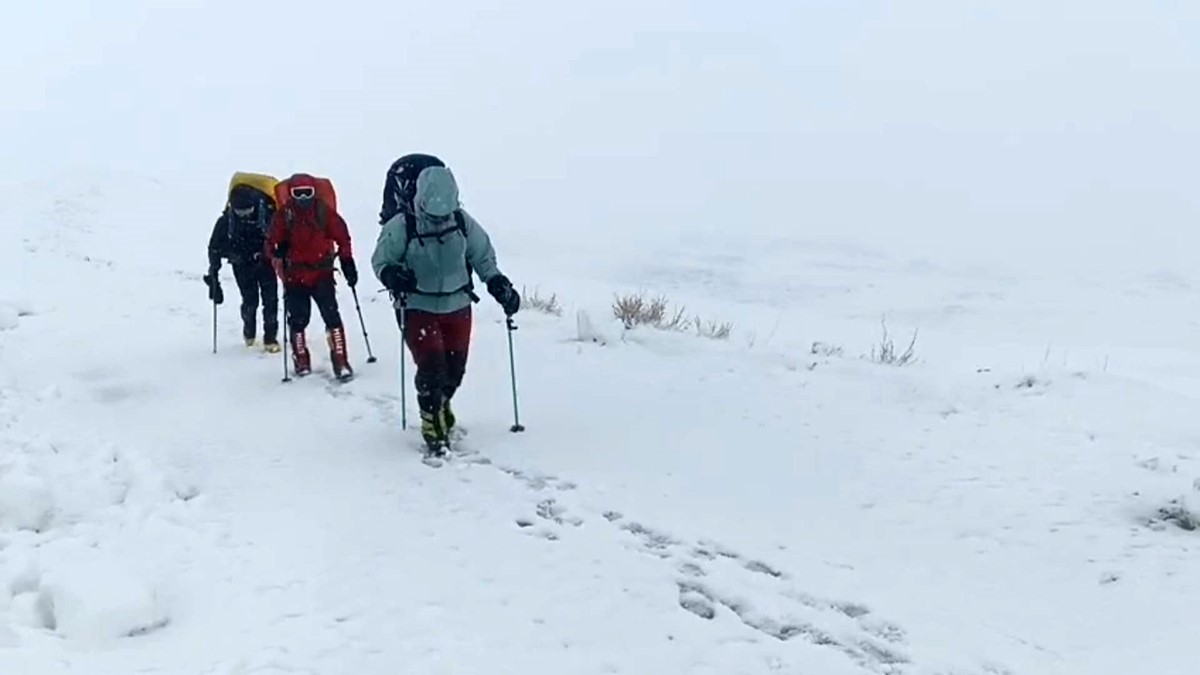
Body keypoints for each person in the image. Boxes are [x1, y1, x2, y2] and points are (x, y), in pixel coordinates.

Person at [371, 155, 520, 452]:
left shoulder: (462, 221)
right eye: (433, 214)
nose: (440, 219)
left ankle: (440, 402)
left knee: (455, 369)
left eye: (445, 214)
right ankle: (431, 421)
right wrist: (393, 275)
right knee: (431, 367)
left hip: (458, 303)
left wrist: (498, 283)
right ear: (421, 200)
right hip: (417, 306)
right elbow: (381, 260)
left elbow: (482, 256)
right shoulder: (403, 225)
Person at [264, 173, 359, 381]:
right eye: (299, 193)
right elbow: (271, 242)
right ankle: (301, 357)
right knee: (299, 318)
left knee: (331, 316)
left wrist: (347, 261)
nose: (304, 198)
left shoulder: (323, 212)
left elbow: (342, 236)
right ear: (291, 194)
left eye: (308, 193)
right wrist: (277, 250)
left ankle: (340, 358)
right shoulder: (285, 215)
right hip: (295, 276)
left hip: (321, 273)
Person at [204, 174, 281, 352]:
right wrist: (213, 271)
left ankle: (270, 338)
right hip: (242, 265)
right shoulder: (226, 221)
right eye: (240, 212)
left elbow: (282, 236)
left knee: (270, 301)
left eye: (247, 211)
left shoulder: (268, 214)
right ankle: (249, 332)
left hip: (265, 262)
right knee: (250, 300)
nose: (244, 215)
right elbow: (214, 247)